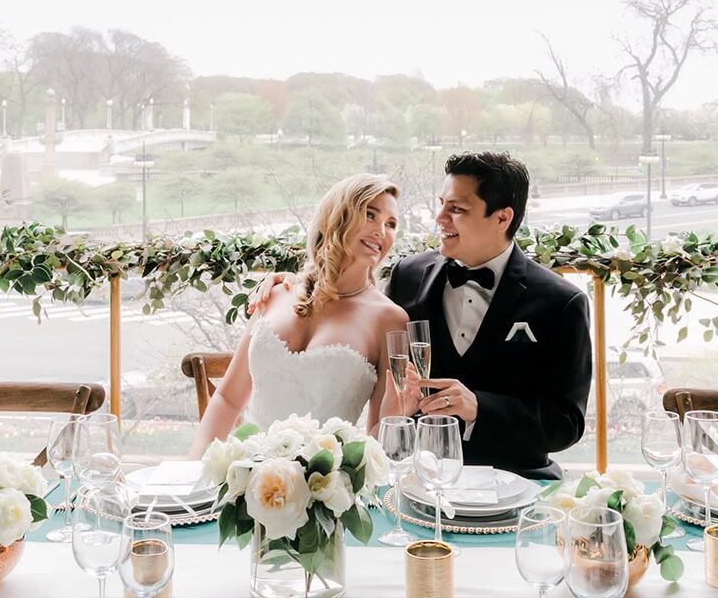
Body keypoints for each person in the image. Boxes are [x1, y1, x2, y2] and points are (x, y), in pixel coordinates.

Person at [253, 152, 592, 480]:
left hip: (517, 482)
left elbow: (567, 423)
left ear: (502, 217)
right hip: (418, 482)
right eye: (442, 204)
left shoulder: (561, 302)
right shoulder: (408, 275)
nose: (440, 218)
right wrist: (296, 283)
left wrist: (479, 409)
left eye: (456, 209)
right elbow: (353, 314)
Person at [189, 174, 417, 459]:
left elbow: (376, 441)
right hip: (249, 480)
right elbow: (226, 399)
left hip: (328, 490)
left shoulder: (390, 320)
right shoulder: (273, 294)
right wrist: (196, 472)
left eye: (391, 224)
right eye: (370, 215)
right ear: (338, 216)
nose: (381, 231)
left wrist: (395, 416)